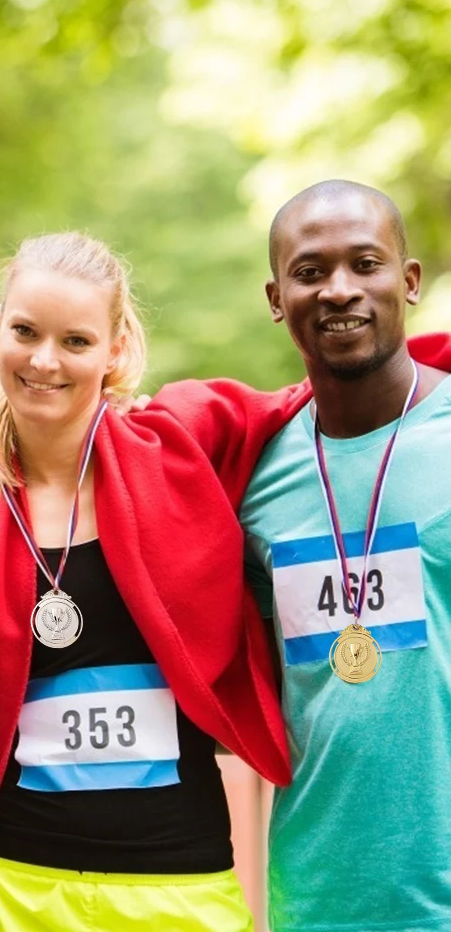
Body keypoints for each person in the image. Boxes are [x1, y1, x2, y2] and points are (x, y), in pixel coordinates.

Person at [0, 233, 299, 931]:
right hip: (6, 889)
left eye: (74, 340)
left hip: (179, 886)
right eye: (25, 332)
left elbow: (327, 389)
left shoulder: (180, 446)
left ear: (114, 347)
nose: (44, 360)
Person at [239, 180, 451, 932]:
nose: (338, 290)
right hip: (317, 898)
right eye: (308, 271)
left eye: (365, 263)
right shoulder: (256, 479)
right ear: (275, 297)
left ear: (409, 280)